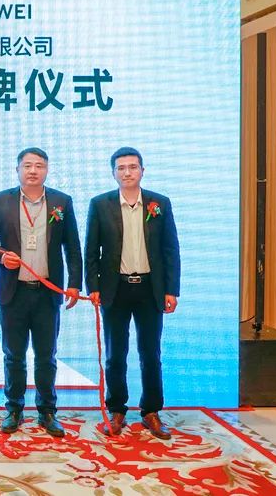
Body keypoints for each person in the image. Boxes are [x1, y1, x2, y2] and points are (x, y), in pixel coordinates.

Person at [0, 147, 82, 437]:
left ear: (46, 170)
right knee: (13, 355)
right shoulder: (2, 200)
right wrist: (1, 256)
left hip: (47, 292)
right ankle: (14, 409)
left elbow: (72, 246)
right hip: (14, 291)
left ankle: (47, 411)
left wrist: (75, 283)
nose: (33, 170)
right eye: (27, 165)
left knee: (47, 355)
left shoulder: (61, 202)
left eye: (39, 165)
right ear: (18, 170)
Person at [85, 147, 180, 440]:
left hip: (150, 288)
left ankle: (151, 411)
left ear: (142, 170)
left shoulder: (159, 203)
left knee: (150, 353)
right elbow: (91, 250)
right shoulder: (100, 204)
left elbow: (170, 249)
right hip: (115, 289)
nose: (127, 172)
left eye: (133, 167)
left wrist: (171, 290)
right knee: (116, 354)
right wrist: (93, 287)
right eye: (121, 168)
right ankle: (116, 410)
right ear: (113, 173)